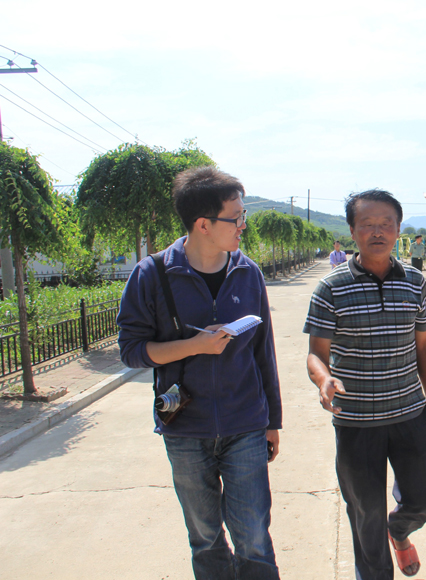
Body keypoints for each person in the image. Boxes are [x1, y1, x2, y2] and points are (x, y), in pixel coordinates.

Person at [117, 166, 282, 580]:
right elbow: (132, 351)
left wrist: (273, 421)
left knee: (253, 538)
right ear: (203, 224)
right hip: (185, 429)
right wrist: (196, 345)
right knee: (206, 538)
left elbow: (265, 354)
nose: (243, 225)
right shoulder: (152, 275)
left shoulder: (248, 272)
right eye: (236, 218)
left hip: (245, 423)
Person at [304, 189, 426, 580]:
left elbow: (425, 348)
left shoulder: (416, 283)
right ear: (352, 231)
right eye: (367, 224)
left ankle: (399, 531)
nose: (377, 231)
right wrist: (323, 378)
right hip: (356, 424)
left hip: (409, 415)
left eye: (386, 224)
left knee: (422, 500)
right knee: (365, 515)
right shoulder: (330, 288)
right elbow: (315, 353)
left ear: (399, 229)